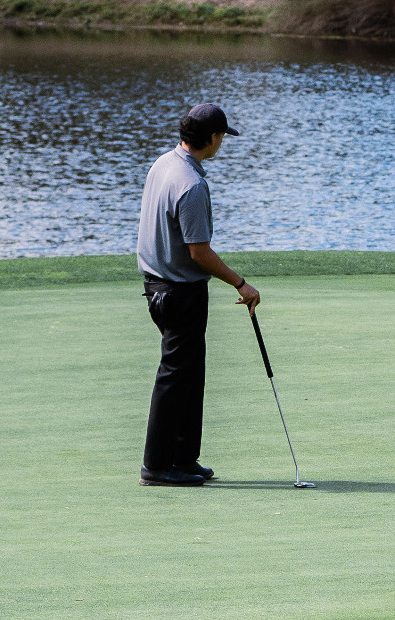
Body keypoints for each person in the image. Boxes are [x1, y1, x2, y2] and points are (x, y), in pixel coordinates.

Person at [137, 104, 260, 487]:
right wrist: (241, 283)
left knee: (190, 374)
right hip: (178, 291)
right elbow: (199, 252)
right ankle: (157, 466)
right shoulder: (192, 185)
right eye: (222, 136)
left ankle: (184, 457)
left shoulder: (163, 163)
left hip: (158, 285)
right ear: (212, 138)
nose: (222, 141)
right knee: (175, 378)